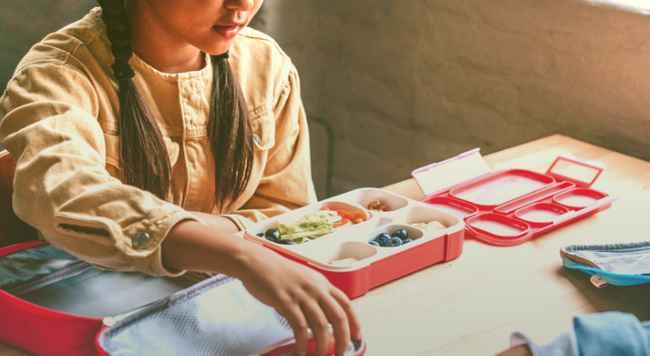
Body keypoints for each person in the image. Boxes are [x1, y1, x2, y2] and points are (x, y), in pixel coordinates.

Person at [0, 1, 361, 355]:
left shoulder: (267, 67)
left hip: (229, 321)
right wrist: (240, 255)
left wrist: (210, 244)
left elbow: (289, 214)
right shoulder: (57, 74)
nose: (244, 3)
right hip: (94, 324)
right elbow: (67, 193)